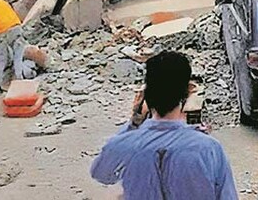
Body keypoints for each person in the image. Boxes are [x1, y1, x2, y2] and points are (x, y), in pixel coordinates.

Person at [91, 51, 237, 199]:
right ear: (187, 92)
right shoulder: (208, 148)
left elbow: (101, 174)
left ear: (145, 95)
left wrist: (134, 124)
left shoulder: (125, 145)